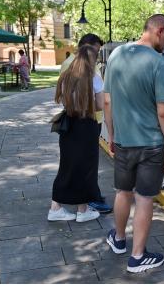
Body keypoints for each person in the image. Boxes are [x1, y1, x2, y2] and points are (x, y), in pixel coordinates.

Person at [103, 14, 164, 273]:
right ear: (160, 31)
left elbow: (108, 101)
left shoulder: (116, 56)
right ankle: (137, 257)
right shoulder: (158, 63)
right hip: (152, 144)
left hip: (123, 140)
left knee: (122, 192)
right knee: (144, 198)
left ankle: (119, 239)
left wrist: (111, 135)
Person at [48, 44, 104, 223]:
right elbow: (101, 104)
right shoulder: (94, 77)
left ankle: (55, 207)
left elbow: (63, 100)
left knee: (67, 165)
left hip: (68, 124)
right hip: (86, 124)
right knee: (86, 167)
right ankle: (83, 209)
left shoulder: (66, 76)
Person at [59, 33, 112, 214]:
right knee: (86, 164)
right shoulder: (84, 67)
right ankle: (90, 201)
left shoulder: (70, 64)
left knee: (74, 162)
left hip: (73, 118)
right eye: (96, 51)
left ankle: (84, 201)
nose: (97, 56)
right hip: (88, 119)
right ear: (87, 48)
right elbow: (100, 101)